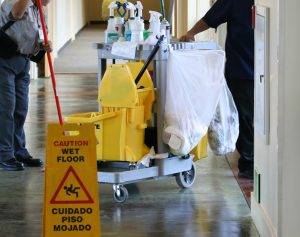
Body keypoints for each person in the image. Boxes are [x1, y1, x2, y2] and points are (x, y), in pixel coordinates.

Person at [180, 0, 254, 179]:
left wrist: (190, 32)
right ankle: (250, 163)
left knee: (250, 118)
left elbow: (210, 18)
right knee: (247, 118)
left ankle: (253, 162)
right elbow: (211, 18)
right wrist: (191, 32)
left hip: (253, 69)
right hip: (244, 69)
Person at [0, 0, 52, 171]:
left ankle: (19, 150)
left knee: (21, 109)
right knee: (6, 110)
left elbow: (36, 37)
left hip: (24, 62)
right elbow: (15, 14)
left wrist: (44, 46)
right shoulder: (15, 2)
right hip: (5, 61)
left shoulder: (40, 11)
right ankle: (5, 155)